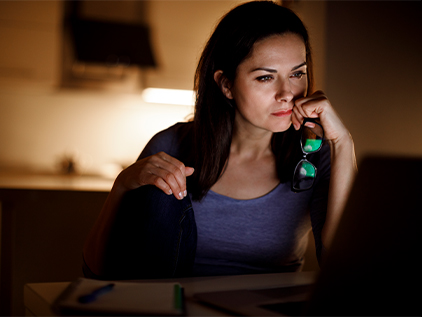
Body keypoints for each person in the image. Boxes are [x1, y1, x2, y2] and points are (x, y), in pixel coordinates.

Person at [83, 0, 357, 280]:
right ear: (226, 85)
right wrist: (122, 186)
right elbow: (99, 270)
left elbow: (344, 268)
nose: (287, 93)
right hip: (174, 308)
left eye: (297, 73)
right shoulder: (171, 146)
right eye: (265, 78)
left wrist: (343, 143)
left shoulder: (315, 155)